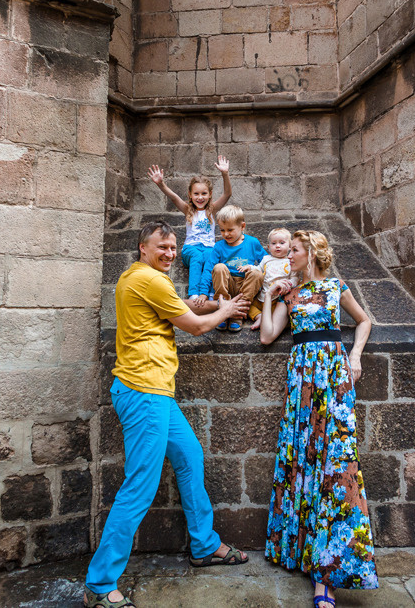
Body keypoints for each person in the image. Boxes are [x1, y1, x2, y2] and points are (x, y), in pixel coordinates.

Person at [84, 221, 251, 608]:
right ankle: (100, 583)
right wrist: (226, 308)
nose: (171, 253)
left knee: (190, 455)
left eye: (174, 247)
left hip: (154, 391)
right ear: (143, 247)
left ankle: (204, 545)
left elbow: (178, 308)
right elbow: (195, 327)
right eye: (162, 247)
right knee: (140, 487)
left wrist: (208, 305)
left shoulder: (135, 276)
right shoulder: (151, 280)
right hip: (145, 392)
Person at [259, 230, 378, 608]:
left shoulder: (335, 286)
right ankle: (302, 552)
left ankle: (328, 572)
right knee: (301, 461)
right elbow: (267, 336)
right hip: (301, 386)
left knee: (337, 465)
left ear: (310, 253)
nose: (288, 256)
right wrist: (269, 296)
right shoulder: (289, 293)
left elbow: (363, 321)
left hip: (333, 380)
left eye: (294, 250)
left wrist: (355, 355)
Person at [147, 155, 232, 301]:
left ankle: (210, 293)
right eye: (196, 194)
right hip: (191, 249)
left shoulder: (212, 210)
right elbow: (174, 198)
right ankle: (194, 293)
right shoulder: (188, 210)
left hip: (208, 247)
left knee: (211, 257)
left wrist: (225, 174)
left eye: (204, 193)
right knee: (197, 257)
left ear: (210, 195)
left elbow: (227, 194)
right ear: (190, 195)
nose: (200, 197)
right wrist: (161, 184)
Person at [194, 204, 266, 332]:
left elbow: (266, 263)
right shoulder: (219, 246)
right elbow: (208, 269)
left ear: (242, 226)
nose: (226, 234)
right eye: (222, 230)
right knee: (219, 267)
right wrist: (204, 293)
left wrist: (253, 268)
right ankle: (223, 309)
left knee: (257, 273)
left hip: (245, 286)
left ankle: (238, 312)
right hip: (227, 284)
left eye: (230, 230)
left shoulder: (252, 242)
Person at [247, 227, 299, 331]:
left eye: (282, 243)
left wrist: (288, 283)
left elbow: (295, 278)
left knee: (280, 314)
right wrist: (250, 267)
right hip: (262, 295)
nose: (277, 246)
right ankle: (259, 316)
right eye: (273, 243)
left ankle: (268, 319)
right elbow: (259, 269)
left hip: (277, 298)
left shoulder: (290, 261)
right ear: (268, 247)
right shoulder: (266, 259)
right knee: (247, 305)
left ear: (290, 246)